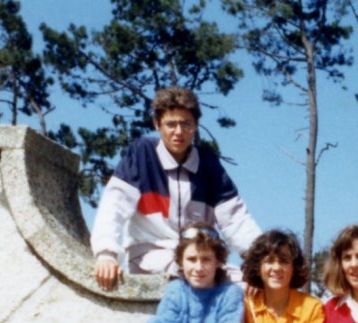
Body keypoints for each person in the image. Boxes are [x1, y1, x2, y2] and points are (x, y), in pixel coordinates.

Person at [91, 86, 260, 290]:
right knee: (221, 284)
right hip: (151, 258)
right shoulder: (142, 155)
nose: (178, 132)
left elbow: (236, 220)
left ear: (195, 125)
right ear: (157, 124)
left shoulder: (208, 164)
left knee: (251, 285)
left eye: (186, 124)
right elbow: (113, 208)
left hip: (198, 258)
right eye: (171, 124)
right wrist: (107, 254)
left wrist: (260, 260)